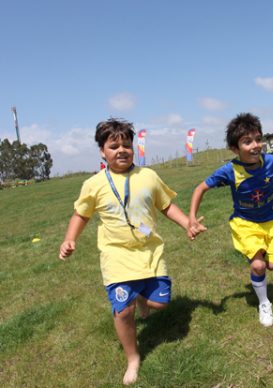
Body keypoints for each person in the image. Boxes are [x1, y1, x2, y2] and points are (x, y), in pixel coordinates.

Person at [58, 118, 203, 385]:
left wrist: (187, 224)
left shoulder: (148, 176)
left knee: (160, 303)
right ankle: (133, 358)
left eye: (126, 144)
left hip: (150, 251)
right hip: (116, 255)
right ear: (102, 151)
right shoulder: (94, 184)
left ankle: (140, 298)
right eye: (114, 146)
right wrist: (69, 239)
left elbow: (166, 205)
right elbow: (81, 214)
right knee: (123, 311)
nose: (121, 150)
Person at [188, 113, 273, 327]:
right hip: (245, 224)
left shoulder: (270, 161)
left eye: (258, 139)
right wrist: (192, 218)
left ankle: (258, 259)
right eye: (247, 141)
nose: (255, 145)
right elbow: (200, 188)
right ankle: (264, 303)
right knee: (259, 266)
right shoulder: (229, 171)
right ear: (235, 149)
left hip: (271, 222)